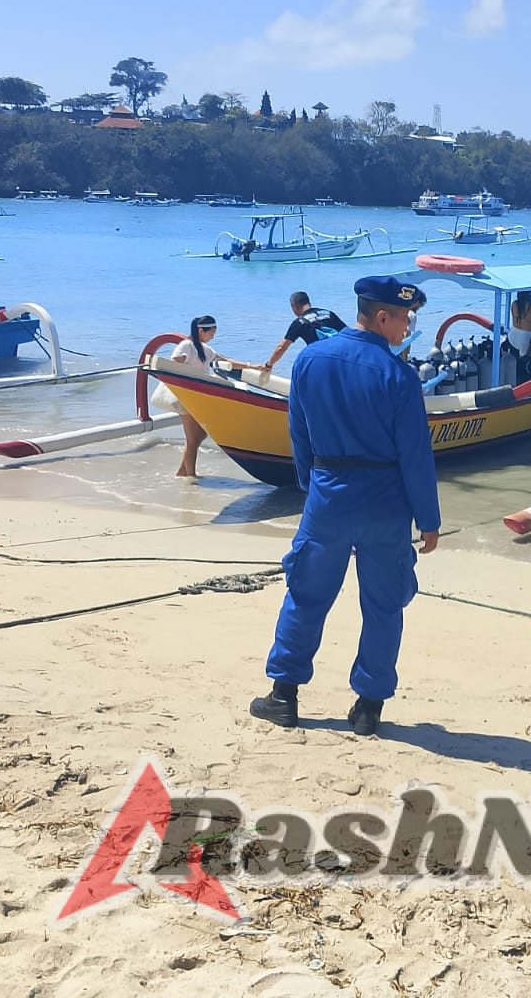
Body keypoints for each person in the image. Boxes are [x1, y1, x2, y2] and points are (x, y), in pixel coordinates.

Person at [249, 276, 441, 738]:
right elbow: (416, 456)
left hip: (328, 494)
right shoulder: (399, 376)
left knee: (306, 595)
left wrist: (309, 488)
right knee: (383, 605)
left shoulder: (309, 360)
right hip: (384, 504)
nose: (407, 326)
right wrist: (429, 520)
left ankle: (283, 697)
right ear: (382, 317)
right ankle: (369, 707)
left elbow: (299, 435)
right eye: (404, 318)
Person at [170, 315, 260, 479]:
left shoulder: (205, 349)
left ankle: (182, 472)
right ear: (200, 331)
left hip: (197, 399)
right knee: (192, 439)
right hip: (186, 397)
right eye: (210, 333)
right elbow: (174, 362)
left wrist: (251, 366)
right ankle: (191, 476)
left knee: (200, 435)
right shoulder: (187, 345)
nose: (212, 337)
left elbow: (225, 361)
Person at [261, 291, 346, 372]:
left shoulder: (299, 322)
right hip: (342, 355)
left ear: (294, 306)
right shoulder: (327, 313)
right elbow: (348, 333)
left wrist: (269, 365)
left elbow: (281, 347)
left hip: (323, 360)